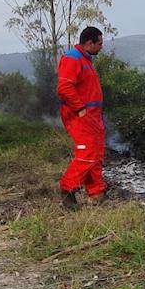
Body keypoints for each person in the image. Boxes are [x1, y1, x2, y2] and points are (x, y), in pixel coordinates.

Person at [57, 26, 106, 208]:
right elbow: (64, 88)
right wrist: (80, 109)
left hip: (93, 117)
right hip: (80, 116)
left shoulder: (86, 59)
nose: (101, 47)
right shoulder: (73, 58)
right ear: (89, 43)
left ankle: (97, 193)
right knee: (87, 154)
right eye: (99, 44)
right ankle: (67, 189)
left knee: (96, 153)